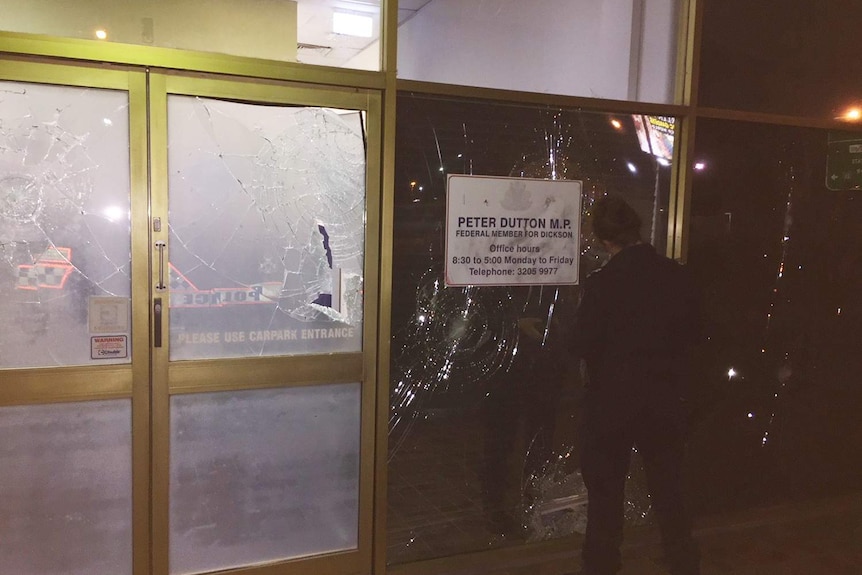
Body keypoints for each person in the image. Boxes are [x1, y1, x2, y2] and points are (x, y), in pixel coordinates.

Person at [567, 195, 701, 575]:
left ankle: (602, 565)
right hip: (664, 398)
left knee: (606, 493)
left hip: (613, 404)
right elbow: (696, 336)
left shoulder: (603, 284)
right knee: (669, 487)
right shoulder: (677, 275)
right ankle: (683, 559)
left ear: (603, 239)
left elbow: (580, 342)